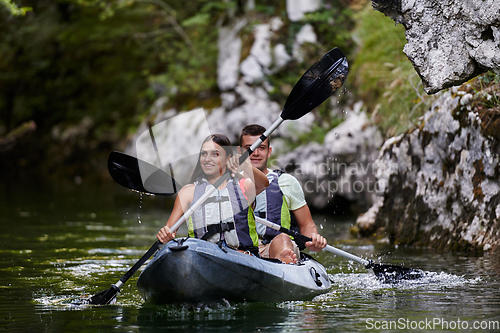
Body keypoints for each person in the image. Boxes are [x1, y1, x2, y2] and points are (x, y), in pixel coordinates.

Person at [157, 134, 269, 254]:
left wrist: (245, 166)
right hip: (204, 256)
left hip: (242, 256)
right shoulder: (188, 192)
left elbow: (264, 184)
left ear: (228, 158)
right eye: (204, 154)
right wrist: (165, 234)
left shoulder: (243, 186)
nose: (207, 159)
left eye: (215, 154)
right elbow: (170, 230)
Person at [238, 124, 327, 264]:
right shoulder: (228, 182)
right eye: (250, 148)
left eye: (261, 148)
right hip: (240, 249)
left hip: (276, 246)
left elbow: (306, 224)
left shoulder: (286, 182)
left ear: (269, 151)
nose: (255, 153)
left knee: (283, 239)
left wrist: (313, 239)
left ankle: (284, 262)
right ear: (240, 151)